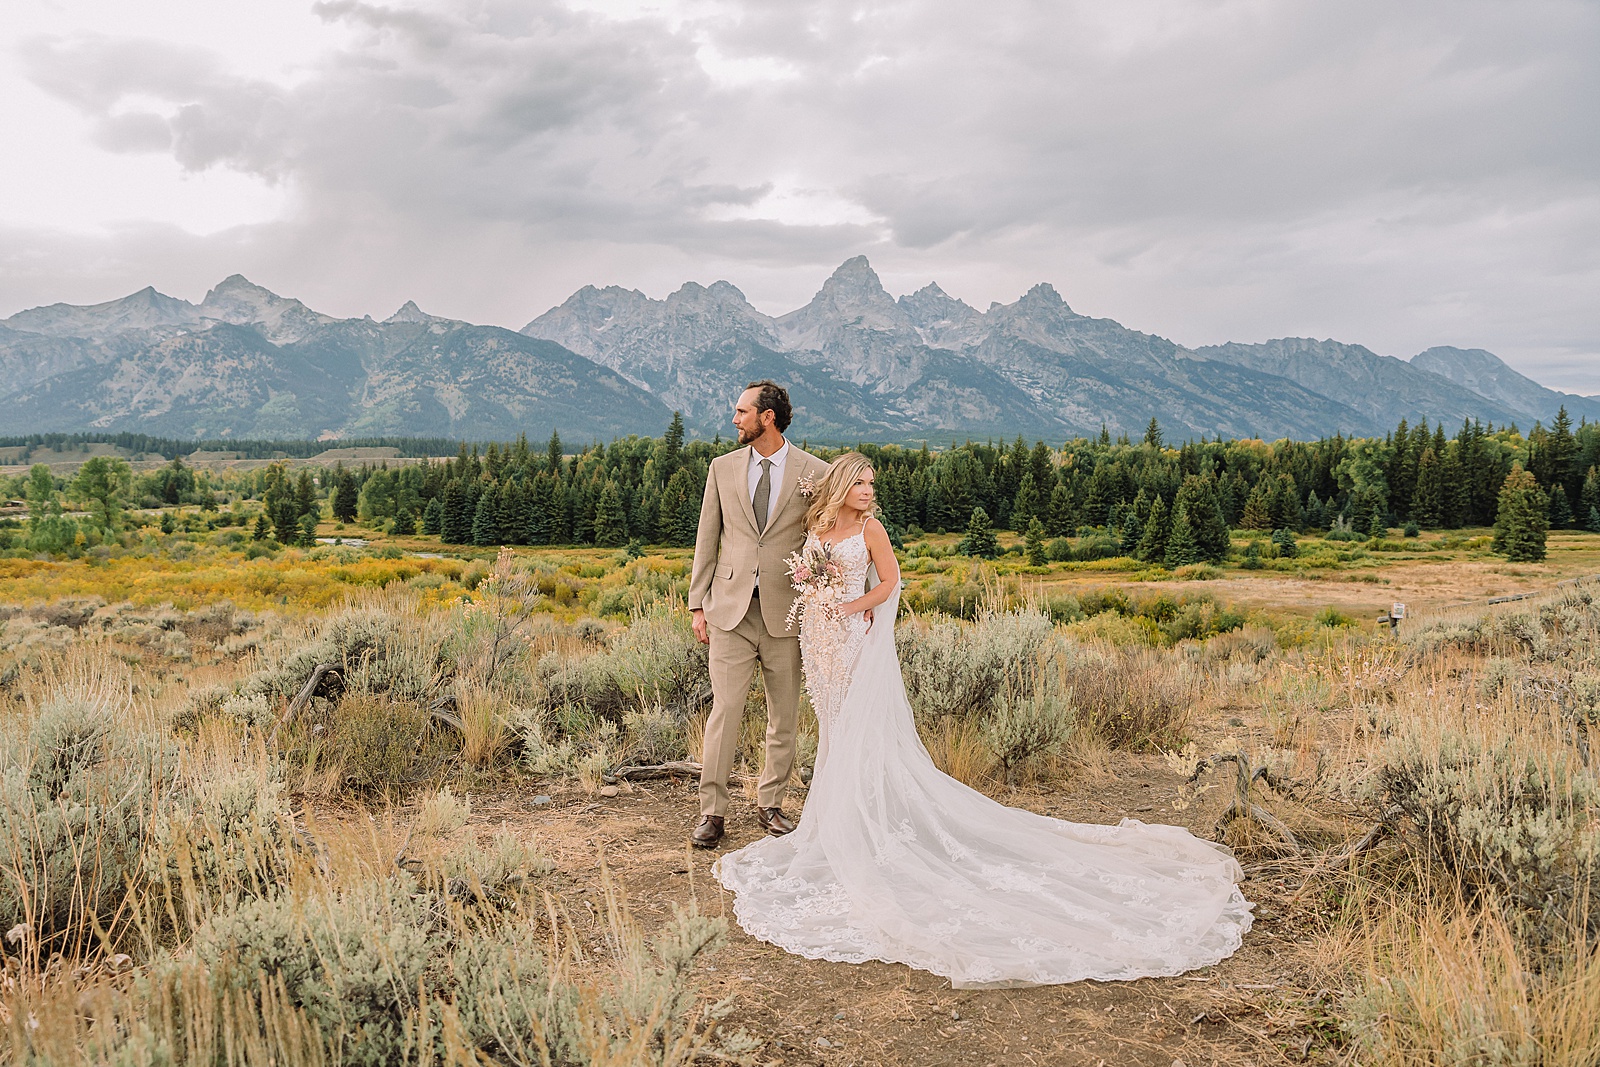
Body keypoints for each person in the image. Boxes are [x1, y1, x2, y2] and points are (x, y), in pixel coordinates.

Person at [714, 453, 1254, 988]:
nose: (869, 490)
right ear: (843, 483)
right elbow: (801, 559)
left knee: (859, 732)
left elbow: (890, 584)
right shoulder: (820, 521)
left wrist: (852, 607)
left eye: (872, 483)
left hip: (852, 638)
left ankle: (862, 827)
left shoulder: (871, 529)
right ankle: (832, 824)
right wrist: (816, 597)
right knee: (832, 729)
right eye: (862, 482)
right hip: (819, 640)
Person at [687, 381, 830, 849]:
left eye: (742, 411)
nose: (735, 419)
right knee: (724, 712)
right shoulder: (721, 468)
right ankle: (712, 812)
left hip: (786, 614)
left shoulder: (817, 472)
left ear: (767, 417)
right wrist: (696, 603)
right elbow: (707, 538)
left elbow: (833, 536)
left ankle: (771, 805)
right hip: (728, 611)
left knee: (782, 715)